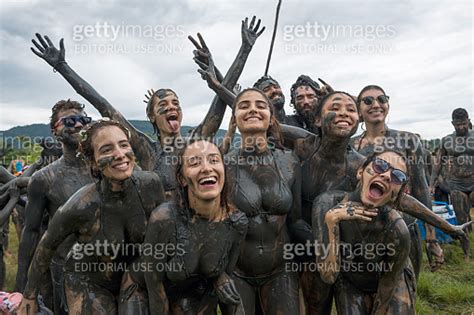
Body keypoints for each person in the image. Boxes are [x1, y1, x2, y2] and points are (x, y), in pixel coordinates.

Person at [31, 18, 263, 198]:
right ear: (152, 116)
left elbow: (221, 99)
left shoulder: (196, 141)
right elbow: (102, 104)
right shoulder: (146, 149)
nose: (171, 107)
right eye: (163, 105)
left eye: (175, 103)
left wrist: (245, 49)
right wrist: (63, 67)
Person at [18, 119, 165, 314]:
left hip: (131, 276)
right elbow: (46, 247)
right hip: (87, 282)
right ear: (94, 162)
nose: (120, 155)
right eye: (106, 150)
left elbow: (165, 231)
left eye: (123, 145)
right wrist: (29, 296)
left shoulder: (151, 185)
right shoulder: (80, 206)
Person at [143, 139, 248, 313]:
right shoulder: (164, 220)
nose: (207, 168)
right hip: (149, 294)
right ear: (182, 178)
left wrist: (220, 277)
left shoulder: (237, 223)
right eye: (194, 163)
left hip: (195, 296)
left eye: (214, 160)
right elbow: (155, 287)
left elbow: (222, 280)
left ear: (224, 170)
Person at [351, 85, 444, 275]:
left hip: (402, 228)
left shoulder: (407, 140)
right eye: (368, 101)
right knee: (364, 292)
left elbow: (421, 190)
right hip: (362, 231)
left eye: (382, 99)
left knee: (403, 296)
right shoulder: (350, 145)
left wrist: (432, 238)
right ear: (359, 109)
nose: (376, 104)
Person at [15, 100, 94, 314]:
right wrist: (21, 288)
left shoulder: (107, 168)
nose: (78, 125)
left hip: (112, 268)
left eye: (84, 120)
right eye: (69, 120)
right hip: (67, 273)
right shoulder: (44, 179)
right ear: (55, 130)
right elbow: (30, 232)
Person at [313, 150, 415, 314]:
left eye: (398, 177)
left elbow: (388, 283)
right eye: (380, 165)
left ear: (396, 195)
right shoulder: (327, 204)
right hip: (351, 279)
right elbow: (328, 276)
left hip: (390, 280)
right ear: (361, 171)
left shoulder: (396, 228)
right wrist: (331, 221)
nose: (387, 176)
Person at [430, 108, 473, 257]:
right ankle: (466, 253)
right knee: (461, 220)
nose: (461, 127)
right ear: (452, 123)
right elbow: (437, 164)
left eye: (463, 123)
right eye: (457, 124)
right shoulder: (447, 140)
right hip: (456, 184)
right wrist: (431, 184)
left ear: (468, 121)